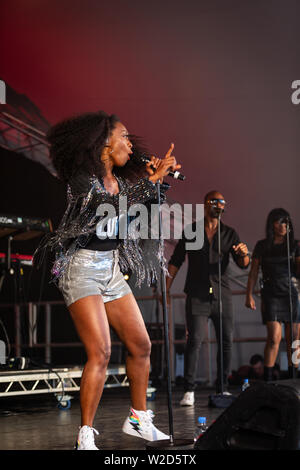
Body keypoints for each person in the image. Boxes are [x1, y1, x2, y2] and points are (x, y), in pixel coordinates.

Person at [34, 111, 181, 449]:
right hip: (81, 267)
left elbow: (143, 210)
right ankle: (85, 433)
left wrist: (159, 181)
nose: (131, 144)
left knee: (141, 345)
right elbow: (108, 208)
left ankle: (138, 419)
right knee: (100, 351)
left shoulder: (125, 184)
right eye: (125, 136)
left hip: (111, 268)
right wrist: (150, 181)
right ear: (104, 143)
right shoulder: (83, 179)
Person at [166, 191, 250, 405]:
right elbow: (176, 260)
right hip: (197, 294)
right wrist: (166, 289)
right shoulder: (192, 231)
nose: (219, 205)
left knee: (226, 342)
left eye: (222, 201)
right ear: (206, 204)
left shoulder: (230, 233)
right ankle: (189, 390)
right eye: (215, 201)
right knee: (194, 341)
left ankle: (223, 388)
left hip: (222, 295)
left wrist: (243, 254)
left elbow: (243, 264)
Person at [246, 208, 300, 381]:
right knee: (274, 338)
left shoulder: (295, 245)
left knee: (295, 339)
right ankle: (268, 380)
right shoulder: (262, 246)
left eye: (286, 221)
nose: (283, 225)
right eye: (279, 221)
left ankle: (294, 377)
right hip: (271, 293)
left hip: (292, 292)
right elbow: (253, 272)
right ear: (272, 224)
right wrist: (249, 294)